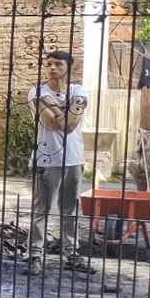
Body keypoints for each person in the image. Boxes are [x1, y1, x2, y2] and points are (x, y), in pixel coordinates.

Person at [27, 50, 95, 273]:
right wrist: (60, 110)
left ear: (69, 67)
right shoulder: (36, 92)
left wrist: (51, 105)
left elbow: (71, 126)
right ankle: (34, 255)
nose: (52, 68)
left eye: (58, 64)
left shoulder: (78, 92)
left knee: (69, 209)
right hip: (46, 158)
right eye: (48, 64)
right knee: (41, 209)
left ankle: (71, 254)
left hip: (73, 158)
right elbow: (56, 124)